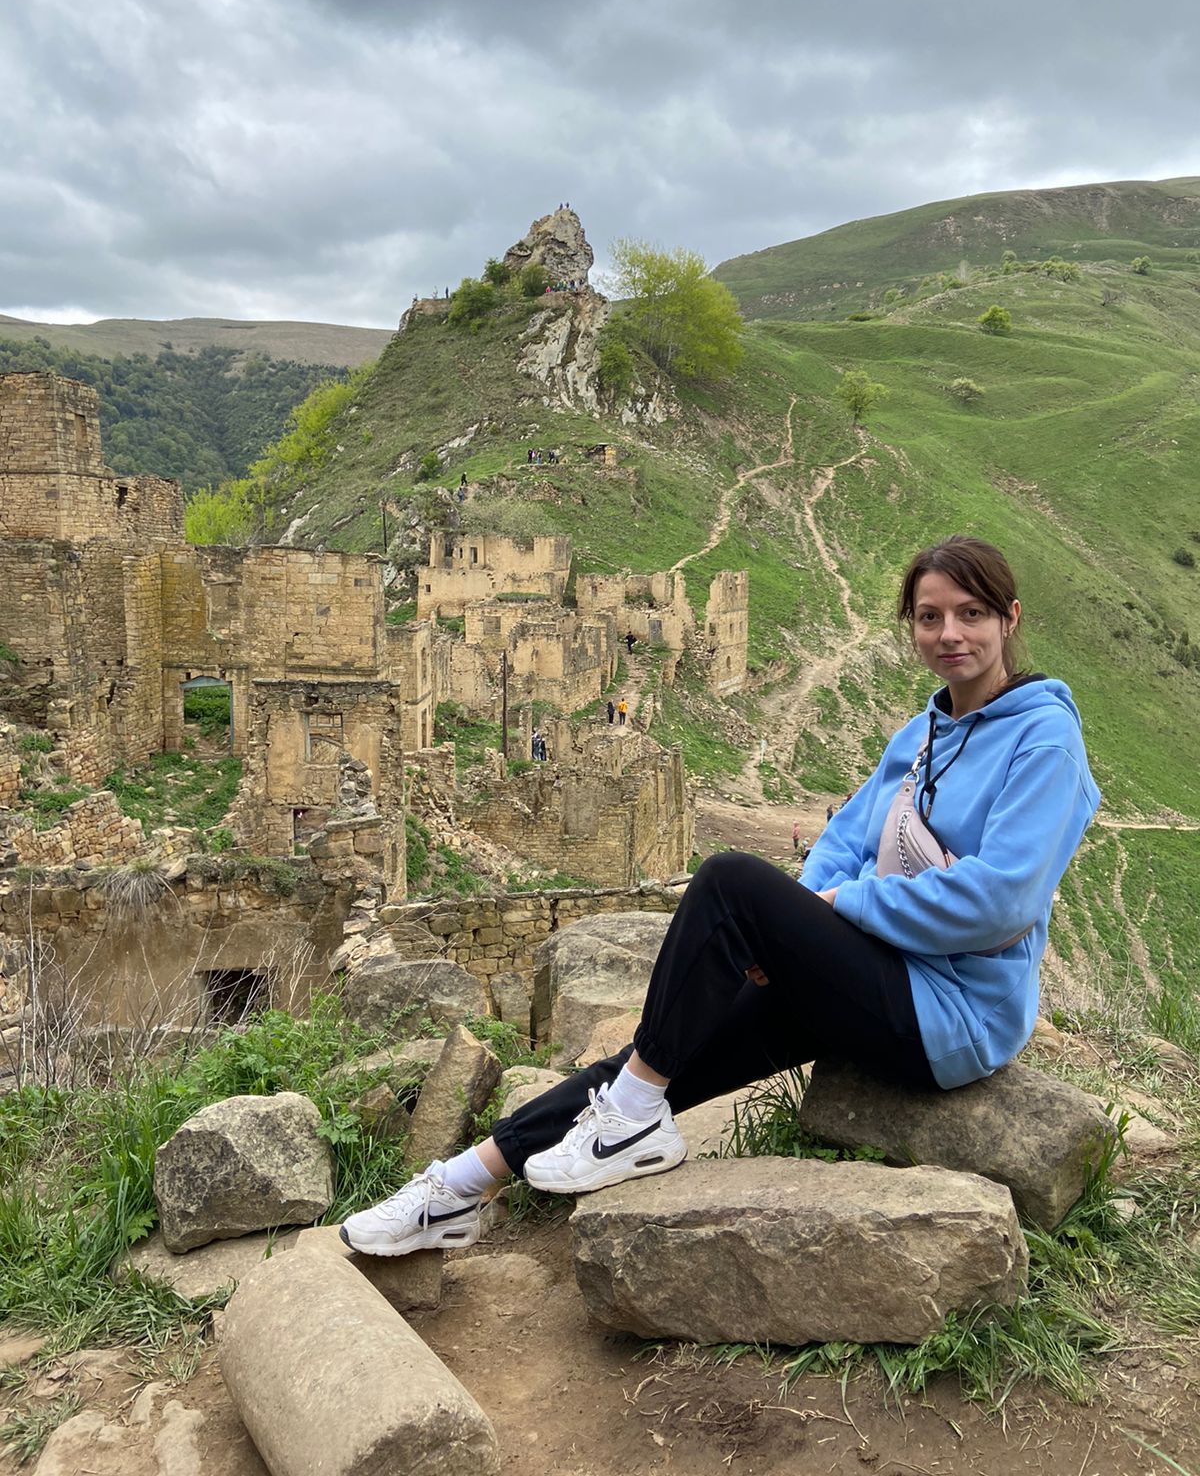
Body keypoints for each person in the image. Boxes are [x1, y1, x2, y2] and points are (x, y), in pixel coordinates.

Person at [340, 536, 1100, 1257]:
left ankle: (628, 1125)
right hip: (877, 971)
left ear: (1009, 618)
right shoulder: (923, 733)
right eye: (930, 616)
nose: (949, 634)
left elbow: (1003, 899)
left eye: (971, 613)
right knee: (656, 1061)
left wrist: (833, 910)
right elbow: (846, 839)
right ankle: (459, 1187)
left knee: (728, 879)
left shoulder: (1044, 738)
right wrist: (793, 930)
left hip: (953, 1013)